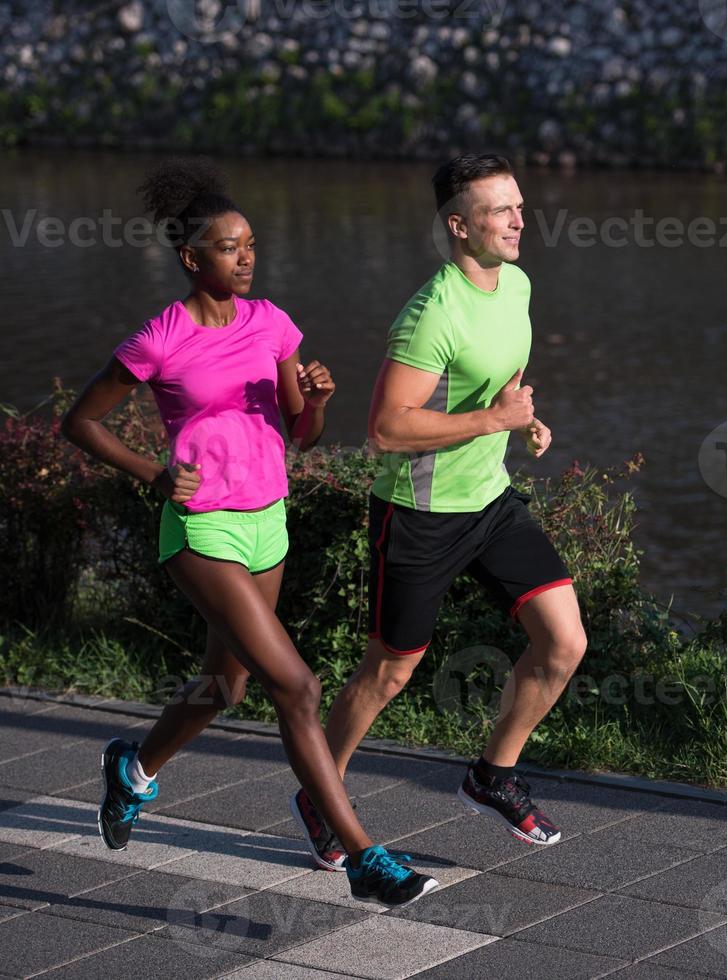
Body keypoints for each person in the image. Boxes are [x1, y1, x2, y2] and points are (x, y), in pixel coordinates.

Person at [61, 159, 436, 908]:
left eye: (251, 245)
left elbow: (301, 433)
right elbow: (81, 421)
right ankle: (363, 856)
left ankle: (131, 769)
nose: (246, 257)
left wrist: (319, 401)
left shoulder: (273, 323)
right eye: (230, 248)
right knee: (297, 687)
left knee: (224, 686)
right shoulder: (160, 336)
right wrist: (152, 473)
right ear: (190, 258)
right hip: (201, 530)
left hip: (269, 522)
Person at [291, 153, 588, 868]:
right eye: (499, 210)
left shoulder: (515, 283)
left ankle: (491, 776)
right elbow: (388, 427)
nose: (519, 220)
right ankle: (318, 792)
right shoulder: (430, 315)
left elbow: (503, 375)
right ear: (459, 226)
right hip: (418, 515)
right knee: (389, 672)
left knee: (564, 642)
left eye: (519, 205)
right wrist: (494, 419)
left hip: (488, 503)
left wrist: (521, 417)